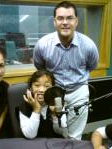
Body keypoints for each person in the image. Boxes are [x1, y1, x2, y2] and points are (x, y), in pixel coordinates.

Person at [33, 1, 99, 140]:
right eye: (60, 18)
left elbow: (92, 66)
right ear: (54, 21)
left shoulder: (88, 45)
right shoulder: (43, 44)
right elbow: (40, 68)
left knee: (75, 136)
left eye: (69, 18)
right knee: (55, 132)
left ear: (76, 21)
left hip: (78, 91)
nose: (65, 22)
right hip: (54, 92)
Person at [18, 70, 68, 139]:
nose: (41, 90)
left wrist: (55, 115)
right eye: (37, 85)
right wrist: (37, 110)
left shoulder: (57, 103)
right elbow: (30, 135)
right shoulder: (24, 107)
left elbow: (62, 132)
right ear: (30, 89)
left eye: (47, 86)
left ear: (52, 89)